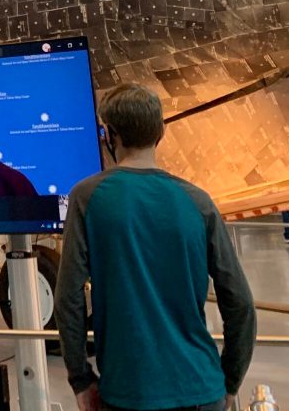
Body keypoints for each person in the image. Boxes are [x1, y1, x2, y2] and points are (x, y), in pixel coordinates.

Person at [56, 84, 256, 411]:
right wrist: (229, 381)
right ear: (160, 133)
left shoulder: (86, 198)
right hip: (202, 388)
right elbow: (240, 303)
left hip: (127, 392)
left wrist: (80, 378)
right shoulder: (198, 201)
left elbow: (68, 299)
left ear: (110, 135)